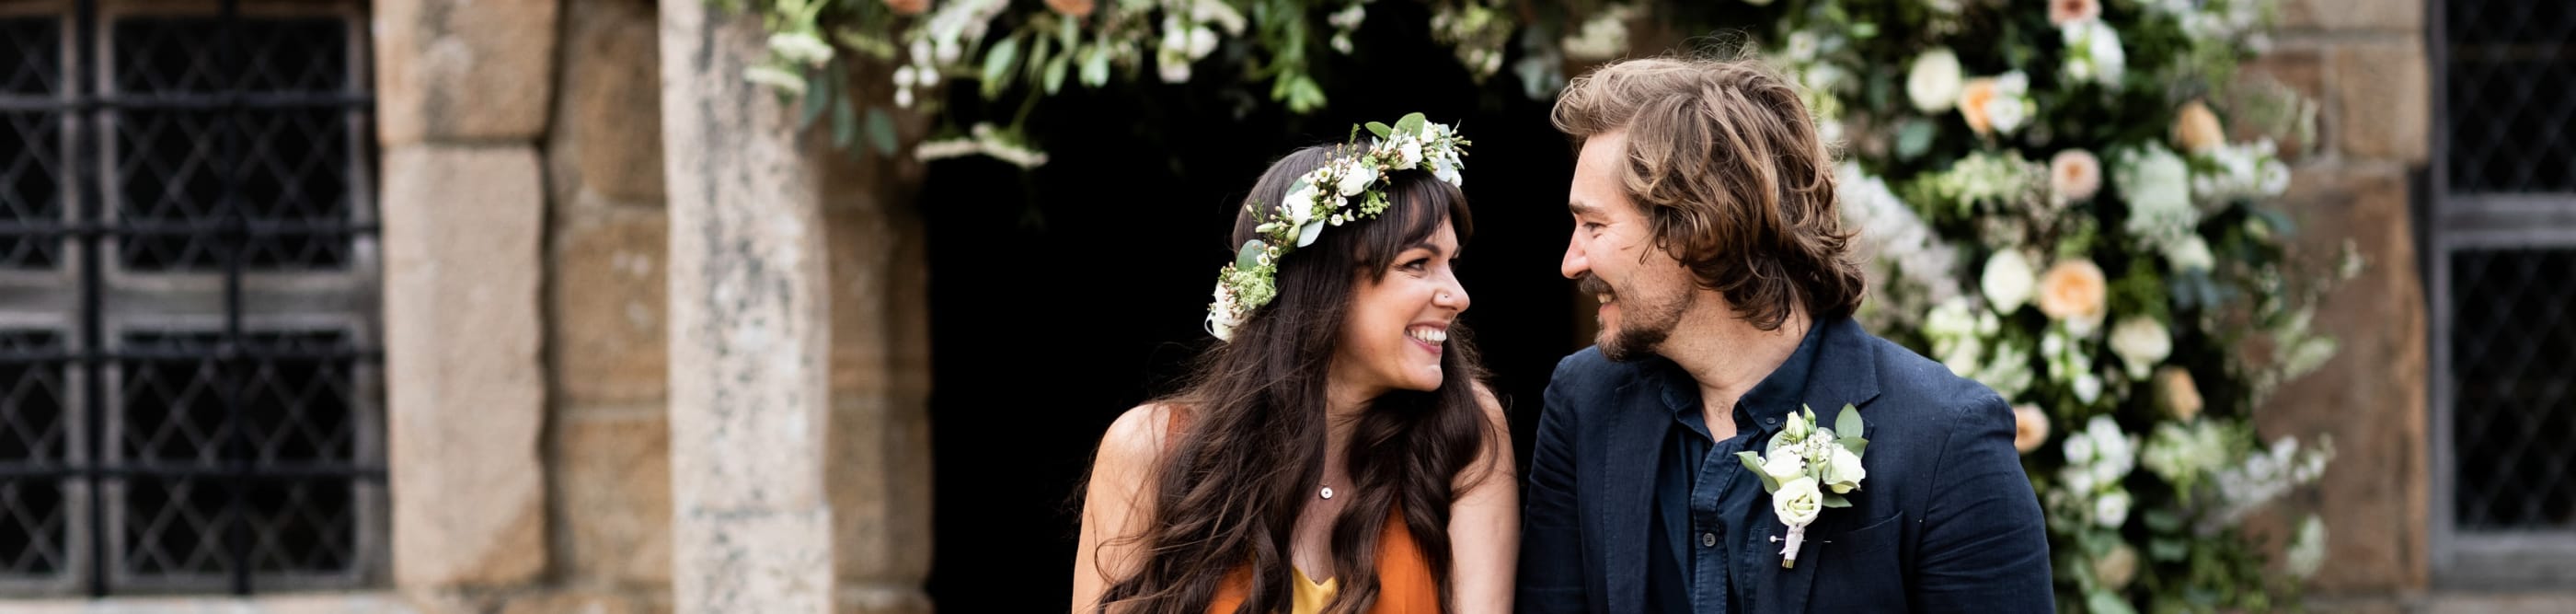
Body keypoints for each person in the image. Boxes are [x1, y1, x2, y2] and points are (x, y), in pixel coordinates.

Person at [1516, 56, 2053, 613]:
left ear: (1700, 231)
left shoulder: (1946, 439)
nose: (1571, 261)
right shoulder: (1585, 401)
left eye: (1595, 226)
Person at [1073, 115, 1518, 614]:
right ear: (1322, 284)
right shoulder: (1151, 450)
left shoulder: (1464, 431)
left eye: (1452, 264)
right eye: (1417, 264)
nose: (1459, 297)